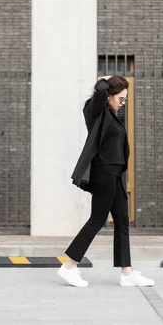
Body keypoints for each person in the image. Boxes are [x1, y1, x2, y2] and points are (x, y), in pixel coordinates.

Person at [58, 76, 155, 288]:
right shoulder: (97, 114)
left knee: (122, 221)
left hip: (116, 173)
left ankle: (127, 273)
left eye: (125, 99)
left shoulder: (113, 116)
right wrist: (106, 82)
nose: (123, 103)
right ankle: (69, 267)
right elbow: (101, 88)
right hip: (104, 173)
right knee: (97, 220)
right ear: (109, 97)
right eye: (120, 98)